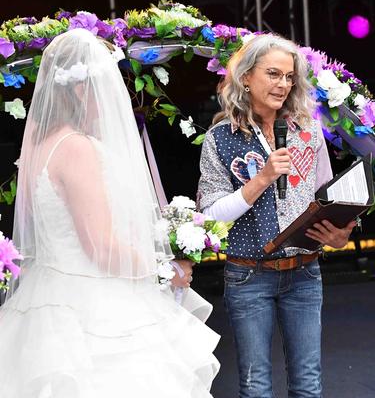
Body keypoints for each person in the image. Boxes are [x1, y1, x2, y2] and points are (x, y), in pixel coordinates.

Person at [0, 28, 220, 397]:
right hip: (92, 301)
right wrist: (164, 270)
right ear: (82, 89)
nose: (112, 95)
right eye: (106, 82)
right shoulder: (77, 148)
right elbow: (100, 246)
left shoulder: (39, 145)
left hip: (46, 291)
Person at [197, 33, 356, 398]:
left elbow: (327, 198)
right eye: (273, 74)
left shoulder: (307, 129)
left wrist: (340, 233)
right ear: (247, 77)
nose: (283, 84)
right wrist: (263, 178)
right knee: (255, 386)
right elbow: (212, 215)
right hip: (248, 275)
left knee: (309, 382)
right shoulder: (220, 138)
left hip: (304, 272)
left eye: (289, 76)